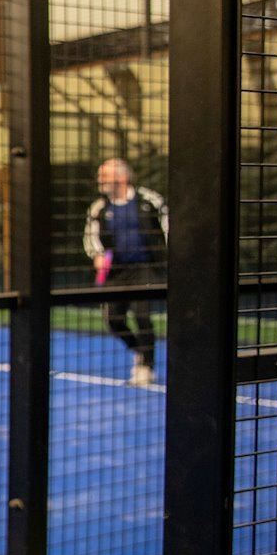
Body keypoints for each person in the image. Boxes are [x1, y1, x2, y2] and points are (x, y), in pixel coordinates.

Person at [83, 158, 168, 386]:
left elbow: (167, 227)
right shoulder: (99, 207)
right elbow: (91, 237)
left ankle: (146, 366)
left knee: (142, 316)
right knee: (113, 320)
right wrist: (97, 255)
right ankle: (139, 351)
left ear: (121, 177)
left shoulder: (149, 200)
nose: (100, 180)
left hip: (144, 268)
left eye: (104, 175)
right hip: (116, 271)